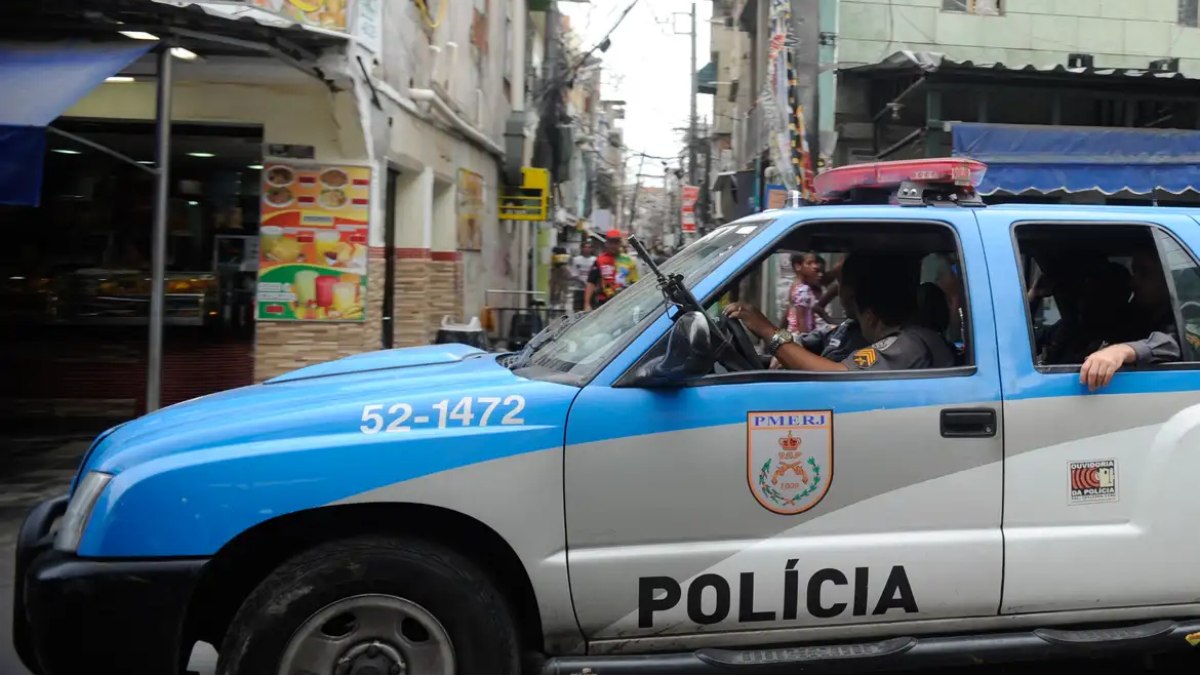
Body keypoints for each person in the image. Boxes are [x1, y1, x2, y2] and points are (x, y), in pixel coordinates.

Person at [724, 254, 955, 372]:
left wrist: (767, 331)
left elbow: (836, 374)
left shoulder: (908, 344)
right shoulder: (915, 338)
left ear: (871, 316)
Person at [1078, 247, 1181, 391]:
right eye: (1134, 272)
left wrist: (1120, 351)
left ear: (1168, 281)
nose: (1133, 283)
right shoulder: (1131, 316)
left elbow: (1175, 342)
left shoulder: (1186, 315)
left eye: (1144, 274)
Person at [584, 229, 639, 310]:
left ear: (620, 243)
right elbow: (591, 283)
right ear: (606, 243)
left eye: (616, 242)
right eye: (610, 242)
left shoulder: (629, 260)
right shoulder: (600, 260)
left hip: (624, 303)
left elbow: (635, 284)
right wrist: (587, 304)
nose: (613, 245)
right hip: (604, 303)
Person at [570, 241, 596, 311]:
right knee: (577, 310)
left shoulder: (595, 260)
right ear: (581, 248)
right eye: (585, 247)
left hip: (591, 290)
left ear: (592, 249)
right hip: (579, 289)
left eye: (589, 247)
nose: (587, 249)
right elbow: (574, 274)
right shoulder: (576, 260)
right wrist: (583, 282)